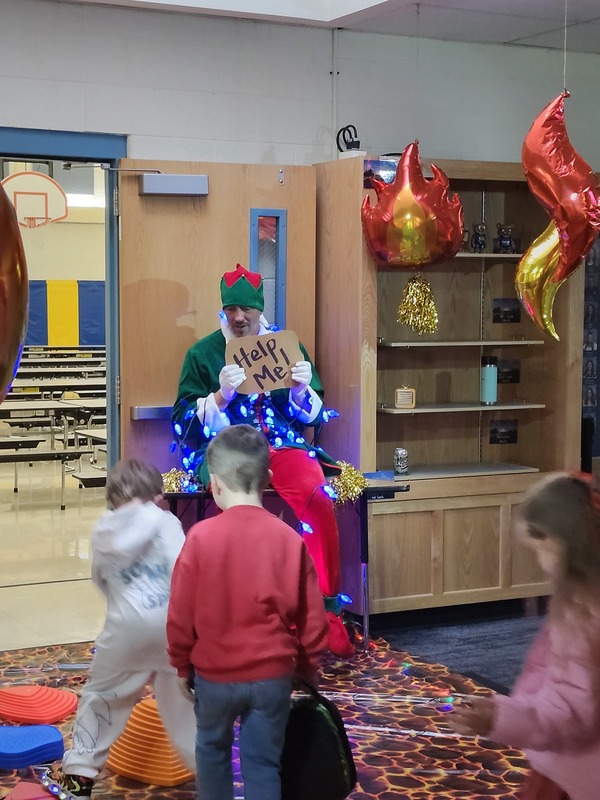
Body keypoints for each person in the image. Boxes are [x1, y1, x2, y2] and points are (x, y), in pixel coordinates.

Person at [171, 263, 354, 657]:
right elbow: (182, 424)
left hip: (282, 446)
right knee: (239, 518)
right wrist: (219, 399)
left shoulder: (286, 347)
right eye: (231, 309)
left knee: (318, 499)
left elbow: (312, 418)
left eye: (246, 311)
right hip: (229, 447)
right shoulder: (202, 354)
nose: (238, 318)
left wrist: (302, 390)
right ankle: (234, 617)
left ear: (259, 310)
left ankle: (323, 614)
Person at [166, 424, 329, 800]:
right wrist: (305, 670)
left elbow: (180, 614)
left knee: (211, 753)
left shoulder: (200, 538)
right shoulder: (290, 539)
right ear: (268, 479)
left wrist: (181, 665)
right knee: (263, 765)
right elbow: (312, 619)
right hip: (273, 677)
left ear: (215, 485)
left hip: (214, 677)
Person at [42, 459, 196, 799]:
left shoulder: (103, 530)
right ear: (157, 496)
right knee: (185, 702)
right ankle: (206, 767)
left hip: (124, 629)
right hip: (171, 625)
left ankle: (80, 775)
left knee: (101, 698)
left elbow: (100, 579)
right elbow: (183, 569)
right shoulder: (166, 521)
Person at [449, 472, 600, 800]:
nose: (541, 562)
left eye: (541, 549)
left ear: (569, 546)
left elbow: (570, 714)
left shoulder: (582, 613)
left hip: (572, 778)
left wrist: (500, 718)